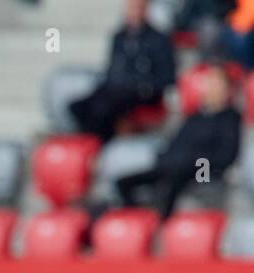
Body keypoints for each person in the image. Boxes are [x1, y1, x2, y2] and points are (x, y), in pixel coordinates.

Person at [115, 65, 240, 219]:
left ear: (226, 89)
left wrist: (194, 162)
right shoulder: (195, 117)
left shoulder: (230, 118)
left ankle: (163, 225)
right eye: (208, 82)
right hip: (176, 166)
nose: (210, 87)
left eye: (215, 82)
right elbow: (174, 144)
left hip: (204, 170)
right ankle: (137, 222)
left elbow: (226, 155)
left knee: (172, 181)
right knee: (125, 182)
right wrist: (165, 160)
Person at [70, 0, 176, 141]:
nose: (134, 12)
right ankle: (90, 142)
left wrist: (143, 85)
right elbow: (112, 69)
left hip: (140, 93)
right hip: (115, 89)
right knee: (78, 106)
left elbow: (167, 77)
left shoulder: (159, 40)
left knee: (103, 108)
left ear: (146, 10)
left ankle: (102, 143)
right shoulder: (119, 37)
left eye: (138, 8)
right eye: (131, 8)